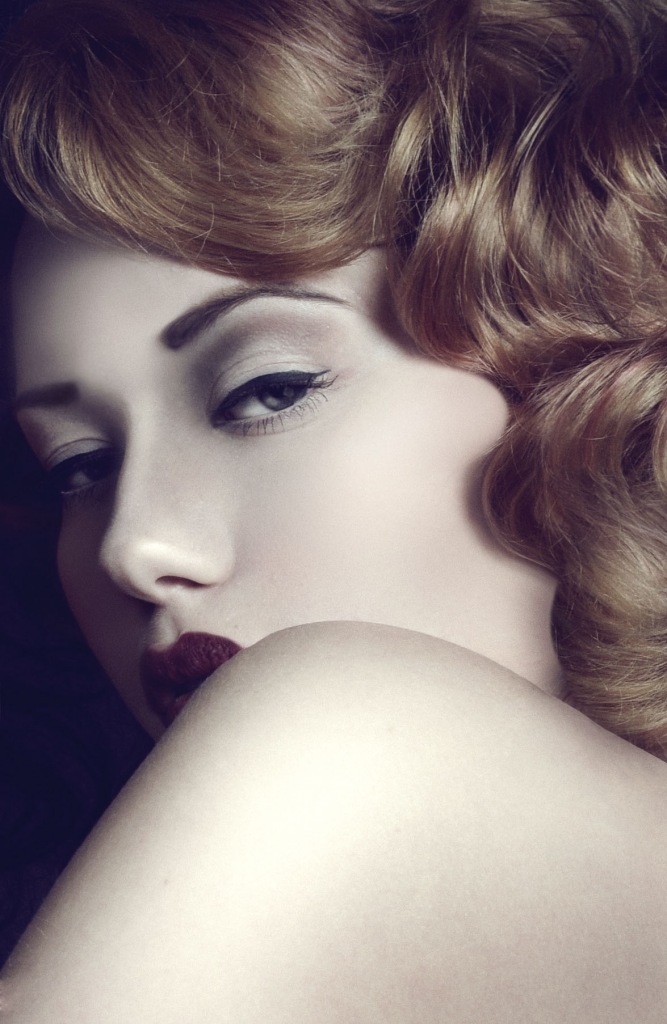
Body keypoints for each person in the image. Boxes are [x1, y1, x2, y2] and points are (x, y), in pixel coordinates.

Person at [0, 0, 666, 1020]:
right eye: (78, 466)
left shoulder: (345, 735)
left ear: (582, 378)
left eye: (265, 390)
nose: (131, 547)